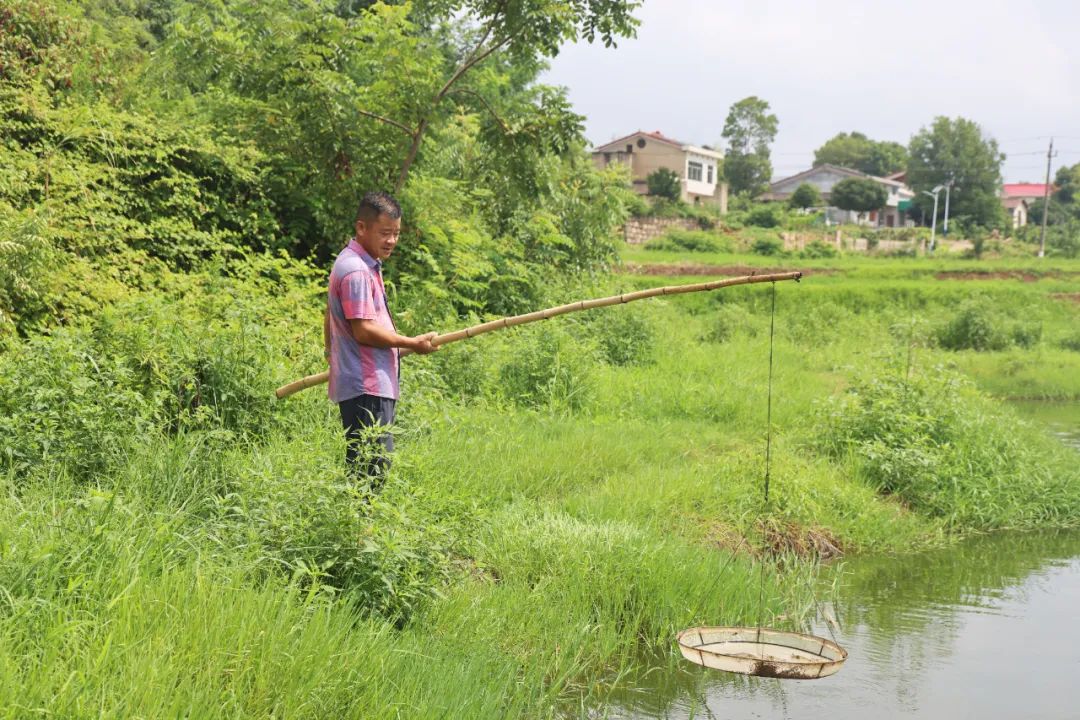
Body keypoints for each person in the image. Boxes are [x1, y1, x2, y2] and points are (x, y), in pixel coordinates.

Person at [324, 191, 438, 486]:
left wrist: (332, 354)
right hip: (367, 387)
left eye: (396, 233)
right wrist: (411, 343)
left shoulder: (357, 263)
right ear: (362, 227)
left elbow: (330, 315)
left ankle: (357, 530)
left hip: (364, 383)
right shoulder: (356, 271)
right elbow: (362, 330)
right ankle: (360, 531)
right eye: (385, 233)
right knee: (370, 471)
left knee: (365, 466)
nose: (391, 241)